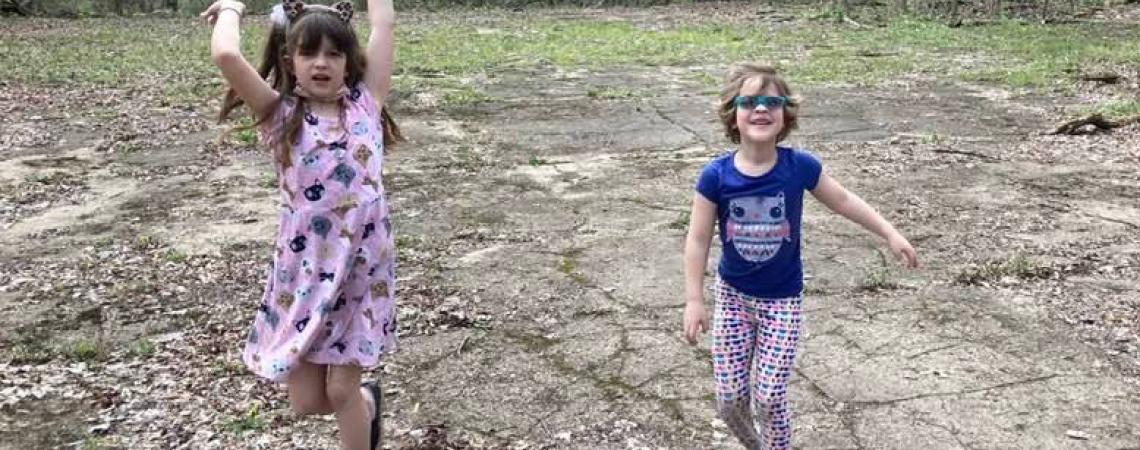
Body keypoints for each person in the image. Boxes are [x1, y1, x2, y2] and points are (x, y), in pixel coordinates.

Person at [681, 63, 919, 449]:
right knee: (729, 402)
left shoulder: (798, 167)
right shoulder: (715, 176)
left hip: (782, 303)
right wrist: (694, 299)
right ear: (733, 115)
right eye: (750, 101)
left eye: (771, 102)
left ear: (785, 114)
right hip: (733, 300)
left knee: (770, 397)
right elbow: (697, 240)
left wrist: (889, 232)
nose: (761, 109)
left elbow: (842, 200)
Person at [202, 1, 401, 448]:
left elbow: (384, 21)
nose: (321, 63)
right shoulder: (280, 115)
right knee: (308, 402)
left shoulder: (366, 105)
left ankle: (357, 406)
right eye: (309, 53)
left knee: (339, 389)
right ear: (290, 60)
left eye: (334, 53)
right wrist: (232, 7)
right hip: (304, 275)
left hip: (361, 271)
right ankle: (368, 405)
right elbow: (226, 57)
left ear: (350, 61)